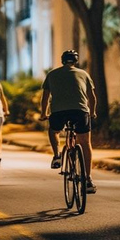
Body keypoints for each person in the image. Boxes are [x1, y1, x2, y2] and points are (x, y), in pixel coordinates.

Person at [39, 49, 98, 194]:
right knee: (85, 143)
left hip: (59, 112)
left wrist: (43, 113)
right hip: (80, 111)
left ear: (62, 61)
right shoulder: (83, 74)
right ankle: (88, 179)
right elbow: (92, 97)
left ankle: (57, 156)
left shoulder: (52, 74)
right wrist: (93, 111)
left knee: (54, 130)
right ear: (76, 61)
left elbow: (45, 97)